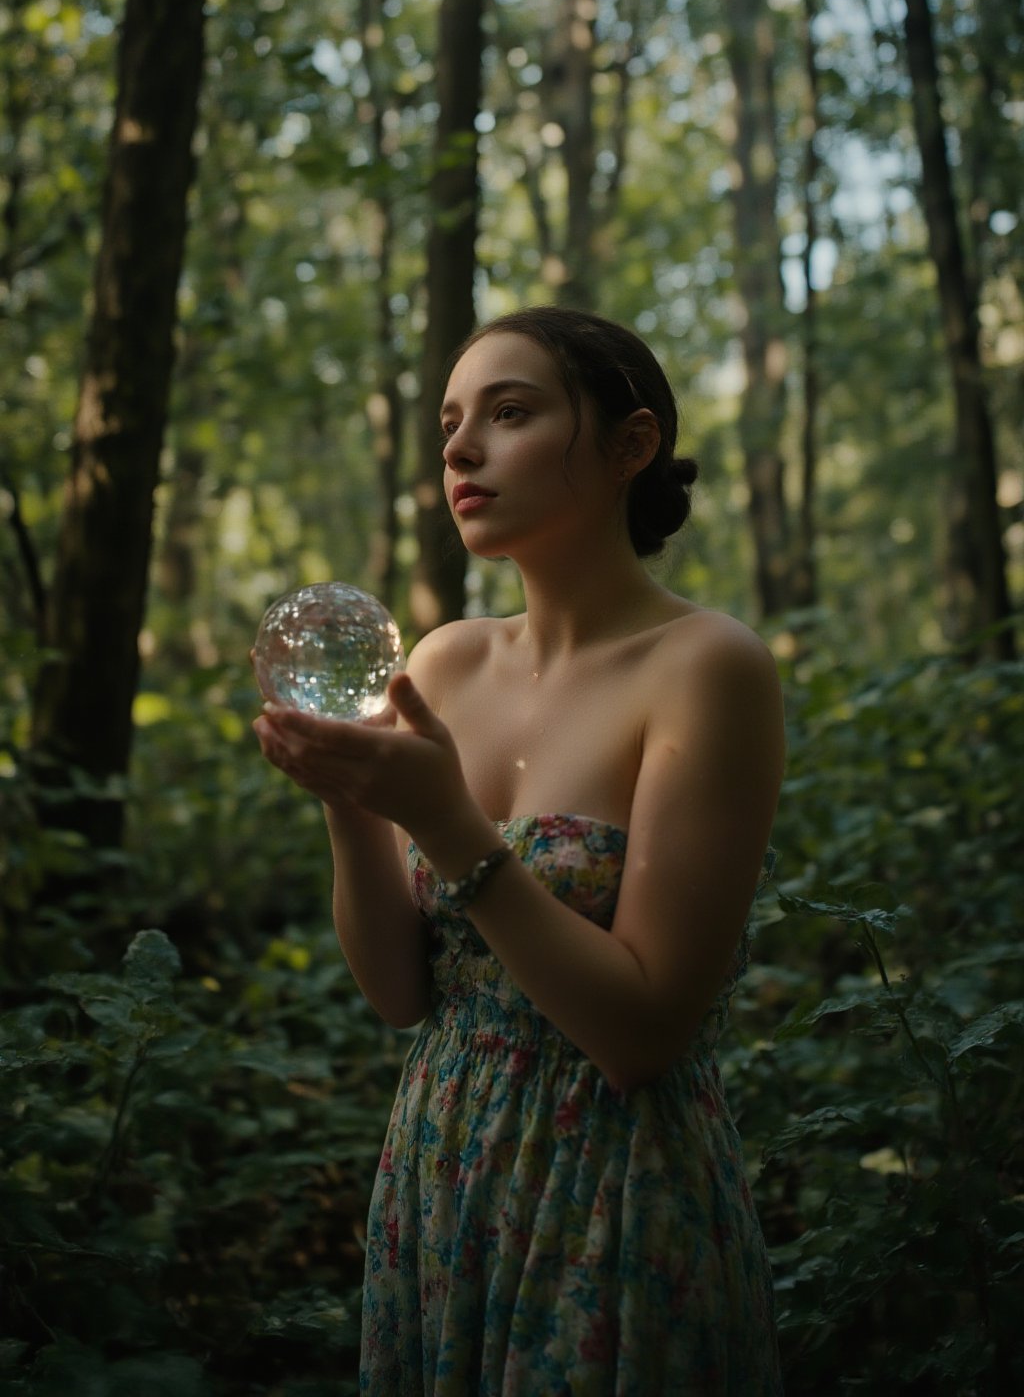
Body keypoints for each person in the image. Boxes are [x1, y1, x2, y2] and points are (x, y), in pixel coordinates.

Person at [253, 306, 785, 1395]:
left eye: (509, 412)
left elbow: (640, 1034)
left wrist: (448, 824)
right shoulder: (442, 665)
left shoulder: (705, 668)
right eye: (452, 420)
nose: (459, 448)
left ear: (630, 447)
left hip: (614, 1189)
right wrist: (348, 801)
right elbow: (404, 994)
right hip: (441, 1169)